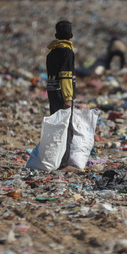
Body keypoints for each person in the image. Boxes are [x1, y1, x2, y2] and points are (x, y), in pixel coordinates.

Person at [46, 20, 77, 171]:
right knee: (66, 129)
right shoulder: (67, 52)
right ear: (71, 35)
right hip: (63, 95)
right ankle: (63, 164)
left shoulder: (51, 53)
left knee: (56, 127)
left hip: (52, 93)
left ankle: (54, 159)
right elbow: (66, 76)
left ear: (56, 35)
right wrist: (68, 98)